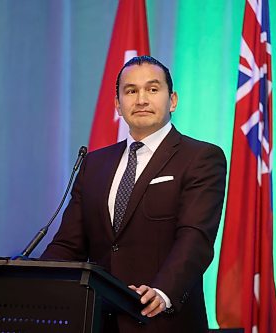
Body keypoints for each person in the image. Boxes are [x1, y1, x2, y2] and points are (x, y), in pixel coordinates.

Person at [41, 56, 227, 332]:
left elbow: (195, 237)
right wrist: (35, 279)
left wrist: (163, 292)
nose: (141, 99)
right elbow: (69, 243)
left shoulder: (200, 157)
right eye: (131, 91)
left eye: (153, 89)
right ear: (118, 104)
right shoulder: (94, 164)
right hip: (97, 320)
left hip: (164, 319)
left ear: (172, 100)